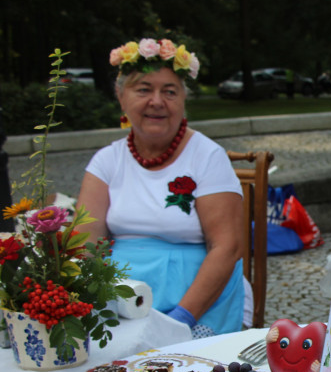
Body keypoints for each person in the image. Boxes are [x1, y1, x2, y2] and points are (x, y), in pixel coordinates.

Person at [76, 38, 245, 338]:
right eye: (144, 90)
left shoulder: (207, 157)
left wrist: (179, 320)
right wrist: (92, 304)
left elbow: (227, 248)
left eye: (169, 92)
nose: (157, 101)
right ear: (121, 97)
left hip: (197, 305)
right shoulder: (106, 161)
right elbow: (84, 247)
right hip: (119, 303)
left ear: (183, 100)